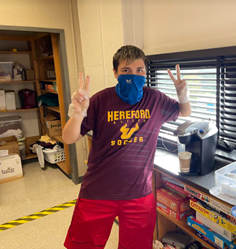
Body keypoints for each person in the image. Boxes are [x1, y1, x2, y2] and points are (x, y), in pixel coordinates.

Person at [63, 45, 191, 249]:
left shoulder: (154, 99)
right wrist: (77, 113)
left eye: (139, 70)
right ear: (115, 72)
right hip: (97, 192)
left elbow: (183, 112)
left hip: (139, 194)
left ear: (145, 73)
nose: (134, 75)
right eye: (126, 70)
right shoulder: (100, 100)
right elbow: (68, 138)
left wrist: (182, 94)